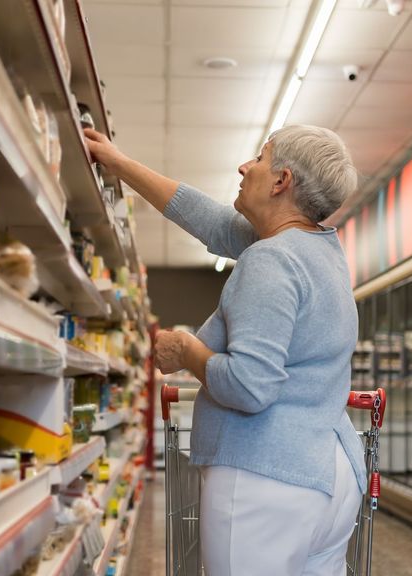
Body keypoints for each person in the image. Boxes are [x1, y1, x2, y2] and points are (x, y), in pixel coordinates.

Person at [84, 125, 365, 576]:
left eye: (260, 157)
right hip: (326, 473)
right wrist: (118, 163)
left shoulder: (271, 261)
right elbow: (209, 220)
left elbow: (250, 386)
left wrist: (185, 350)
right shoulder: (319, 252)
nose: (244, 166)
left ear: (281, 182)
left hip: (265, 479)